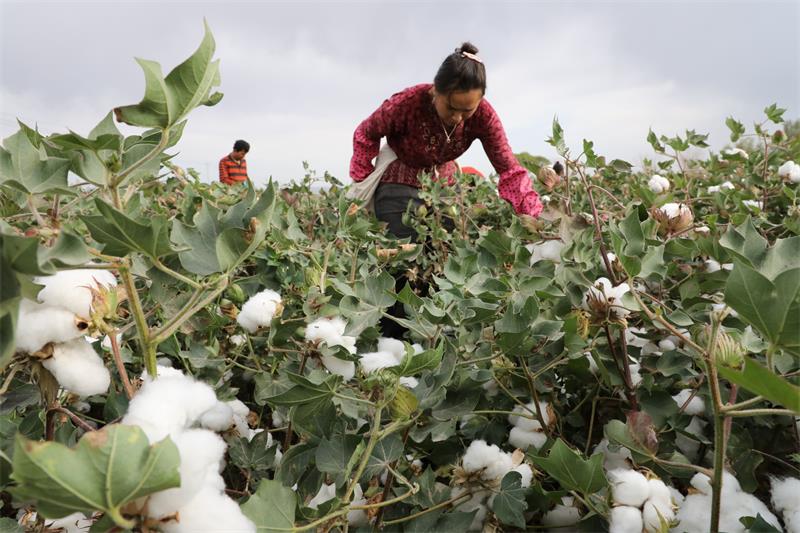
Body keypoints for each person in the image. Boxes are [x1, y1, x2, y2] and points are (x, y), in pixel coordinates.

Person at [349, 42, 542, 240]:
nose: (457, 117)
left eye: (467, 111)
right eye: (451, 108)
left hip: (446, 191)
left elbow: (509, 169)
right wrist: (362, 176)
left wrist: (534, 216)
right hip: (398, 187)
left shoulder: (485, 116)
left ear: (480, 100)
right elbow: (366, 132)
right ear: (435, 91)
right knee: (400, 257)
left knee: (446, 253)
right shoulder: (407, 103)